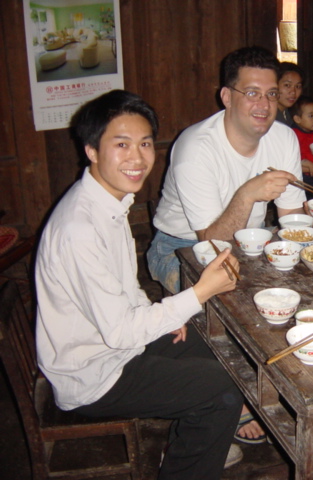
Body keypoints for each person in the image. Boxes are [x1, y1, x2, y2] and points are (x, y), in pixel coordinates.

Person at [35, 90, 244, 478]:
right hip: (93, 373)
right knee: (221, 390)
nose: (138, 157)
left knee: (220, 348)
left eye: (145, 143)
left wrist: (165, 315)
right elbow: (119, 332)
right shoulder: (80, 228)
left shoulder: (106, 202)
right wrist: (199, 292)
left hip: (114, 344)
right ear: (92, 151)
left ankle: (192, 446)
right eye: (122, 144)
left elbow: (125, 287)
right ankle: (191, 461)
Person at [148, 46, 313, 294]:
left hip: (253, 238)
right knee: (245, 293)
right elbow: (212, 242)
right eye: (252, 93)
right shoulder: (196, 149)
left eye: (271, 94)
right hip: (182, 246)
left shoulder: (284, 138)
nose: (264, 105)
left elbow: (289, 214)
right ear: (227, 97)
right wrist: (247, 194)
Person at [275, 61, 304, 127]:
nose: (293, 92)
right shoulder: (269, 117)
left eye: (298, 86)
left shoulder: (288, 112)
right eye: (287, 85)